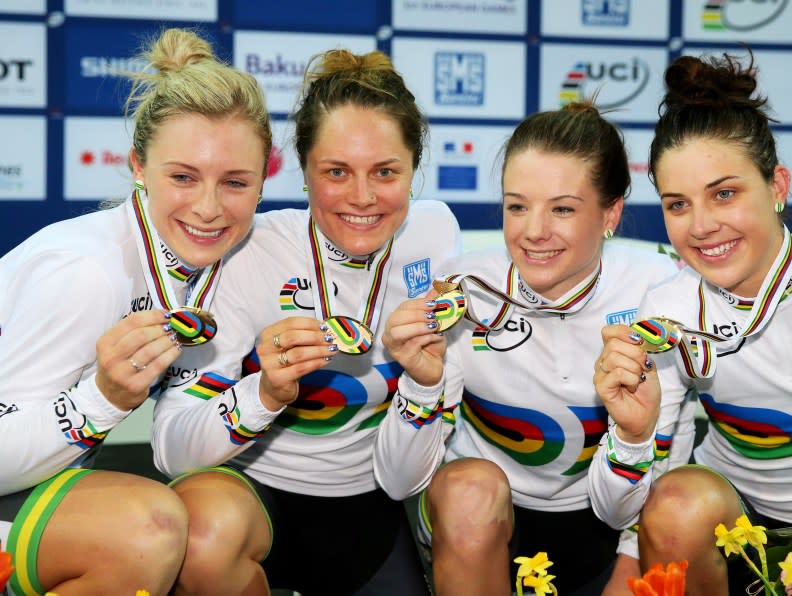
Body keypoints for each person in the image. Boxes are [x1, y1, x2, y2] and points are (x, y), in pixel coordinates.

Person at [151, 49, 461, 595]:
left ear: (414, 169)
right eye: (336, 172)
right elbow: (171, 451)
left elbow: (409, 473)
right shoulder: (248, 250)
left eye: (385, 172)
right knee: (202, 534)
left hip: (374, 510)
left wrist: (425, 380)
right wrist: (264, 393)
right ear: (303, 170)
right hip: (254, 507)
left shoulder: (434, 234)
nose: (363, 198)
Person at [596, 52, 792, 594]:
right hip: (745, 532)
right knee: (677, 503)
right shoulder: (666, 315)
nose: (703, 226)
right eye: (678, 204)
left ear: (777, 185)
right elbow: (619, 509)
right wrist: (634, 434)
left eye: (725, 193)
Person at [373, 101, 691, 595]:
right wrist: (422, 382)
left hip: (614, 529)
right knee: (467, 490)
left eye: (562, 208)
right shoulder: (462, 287)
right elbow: (396, 482)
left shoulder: (662, 293)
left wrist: (631, 558)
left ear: (611, 212)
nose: (533, 231)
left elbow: (628, 503)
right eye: (517, 205)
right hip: (485, 524)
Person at [0, 27, 271, 595]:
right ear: (138, 168)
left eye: (235, 182)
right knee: (145, 528)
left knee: (213, 521)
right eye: (183, 177)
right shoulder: (89, 272)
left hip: (40, 480)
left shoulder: (208, 262)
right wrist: (102, 400)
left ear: (264, 180)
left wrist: (265, 392)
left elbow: (178, 448)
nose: (208, 207)